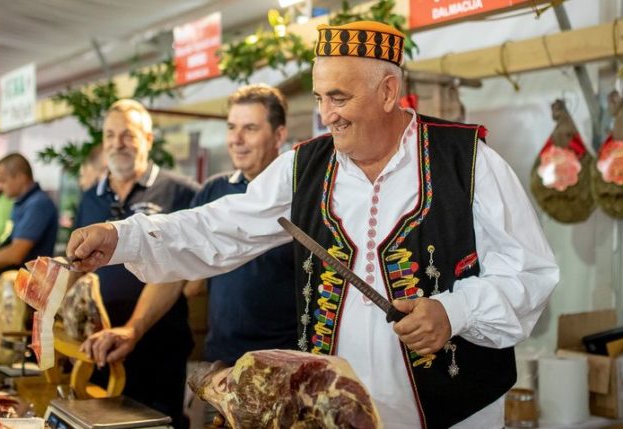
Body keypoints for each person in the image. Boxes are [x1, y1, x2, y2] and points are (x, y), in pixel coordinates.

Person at [67, 22, 559, 429]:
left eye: (339, 98)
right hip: (330, 414)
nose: (326, 116)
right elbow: (221, 226)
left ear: (389, 92)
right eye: (321, 97)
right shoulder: (304, 167)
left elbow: (530, 274)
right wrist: (122, 237)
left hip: (455, 415)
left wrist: (455, 310)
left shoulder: (467, 160)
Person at [74, 99, 198, 428]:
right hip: (99, 345)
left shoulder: (180, 192)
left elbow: (183, 269)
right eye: (110, 135)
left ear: (148, 140)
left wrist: (134, 327)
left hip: (159, 344)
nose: (118, 143)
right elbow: (80, 265)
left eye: (128, 135)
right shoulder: (91, 197)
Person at [188, 83, 297, 365]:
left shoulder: (299, 195)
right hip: (219, 362)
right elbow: (186, 278)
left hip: (284, 364)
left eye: (250, 128)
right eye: (231, 127)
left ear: (279, 135)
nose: (236, 139)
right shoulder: (213, 190)